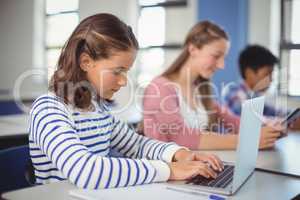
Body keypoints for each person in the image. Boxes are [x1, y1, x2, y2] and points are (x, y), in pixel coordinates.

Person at [29, 13, 224, 190]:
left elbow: (136, 145)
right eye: (117, 71)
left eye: (126, 72)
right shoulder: (49, 109)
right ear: (86, 62)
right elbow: (85, 171)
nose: (123, 81)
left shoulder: (99, 110)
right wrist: (169, 170)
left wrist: (179, 154)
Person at [142, 21, 284, 150]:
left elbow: (232, 120)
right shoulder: (160, 87)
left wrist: (269, 125)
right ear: (193, 49)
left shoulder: (200, 89)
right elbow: (180, 137)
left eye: (224, 58)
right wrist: (247, 141)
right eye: (216, 56)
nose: (222, 65)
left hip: (197, 167)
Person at [223, 44, 300, 129]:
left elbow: (275, 112)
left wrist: (294, 117)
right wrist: (286, 123)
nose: (271, 79)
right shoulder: (234, 94)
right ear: (249, 73)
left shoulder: (254, 97)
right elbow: (251, 121)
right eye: (267, 74)